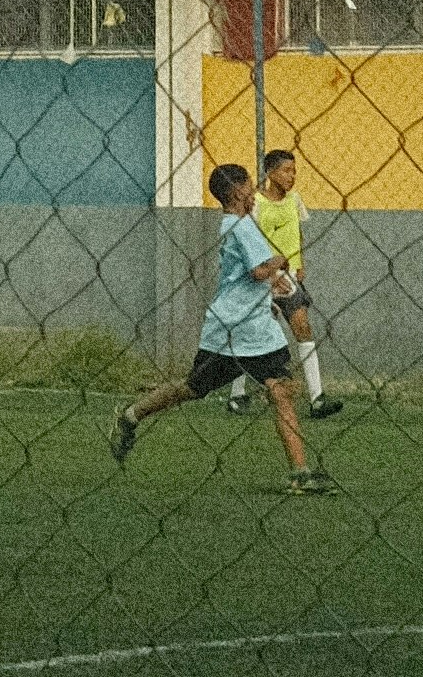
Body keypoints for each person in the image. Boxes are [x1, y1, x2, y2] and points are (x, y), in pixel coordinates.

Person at [111, 163, 332, 496]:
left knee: (282, 389)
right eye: (249, 184)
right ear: (238, 192)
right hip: (230, 330)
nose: (255, 189)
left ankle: (299, 473)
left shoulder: (238, 224)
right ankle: (131, 414)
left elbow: (247, 278)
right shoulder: (241, 227)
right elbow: (258, 271)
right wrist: (281, 262)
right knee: (191, 389)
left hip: (254, 330)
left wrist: (266, 295)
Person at [228, 149, 342, 420]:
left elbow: (297, 232)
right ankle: (237, 394)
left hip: (288, 277)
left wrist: (299, 264)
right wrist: (268, 275)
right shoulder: (255, 202)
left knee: (303, 327)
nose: (291, 177)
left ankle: (317, 398)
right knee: (251, 334)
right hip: (263, 278)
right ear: (269, 173)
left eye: (294, 171)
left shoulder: (295, 201)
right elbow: (248, 239)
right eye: (285, 171)